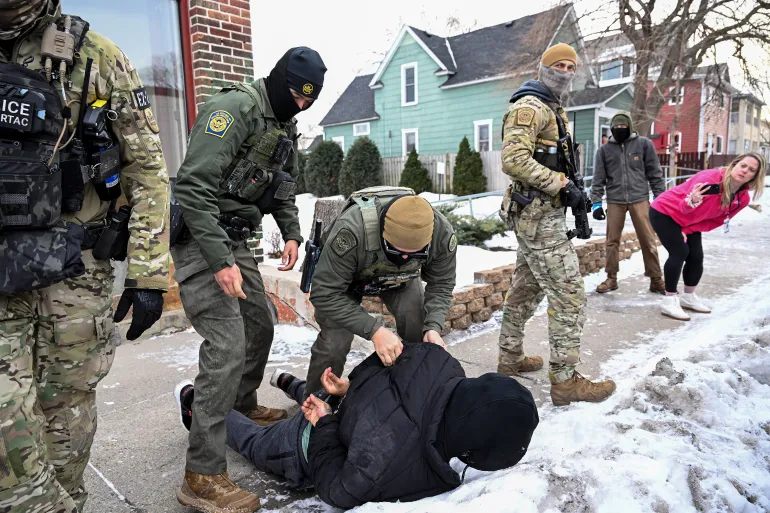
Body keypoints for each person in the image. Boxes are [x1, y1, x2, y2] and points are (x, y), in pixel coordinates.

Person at [0, 1, 170, 510]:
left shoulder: (95, 56)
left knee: (66, 412)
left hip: (73, 271)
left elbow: (147, 170)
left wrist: (148, 273)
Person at [171, 47, 326, 511]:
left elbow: (283, 188)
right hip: (201, 237)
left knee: (260, 323)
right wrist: (220, 261)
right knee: (227, 344)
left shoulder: (284, 126)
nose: (301, 105)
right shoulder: (234, 108)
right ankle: (201, 474)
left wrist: (292, 233)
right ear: (278, 81)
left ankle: (238, 406)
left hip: (234, 239)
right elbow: (192, 187)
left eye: (309, 100)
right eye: (296, 96)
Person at [174, 342, 539, 511]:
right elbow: (337, 490)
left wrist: (345, 392)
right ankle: (195, 403)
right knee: (255, 441)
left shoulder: (440, 362)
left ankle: (291, 384)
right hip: (308, 441)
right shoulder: (400, 462)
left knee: (323, 397)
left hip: (345, 402)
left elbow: (380, 375)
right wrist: (324, 423)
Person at [496, 42, 616, 406]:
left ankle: (509, 358)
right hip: (539, 218)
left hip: (538, 216)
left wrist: (573, 191)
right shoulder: (530, 107)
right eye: (558, 65)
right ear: (543, 68)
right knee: (569, 297)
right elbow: (513, 160)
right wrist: (561, 186)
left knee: (526, 289)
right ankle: (565, 383)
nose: (564, 72)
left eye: (570, 66)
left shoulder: (551, 107)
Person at [305, 187, 457, 399]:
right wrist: (375, 331)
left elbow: (442, 283)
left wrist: (433, 326)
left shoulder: (441, 233)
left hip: (401, 278)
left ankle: (416, 397)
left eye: (414, 253)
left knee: (420, 330)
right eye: (397, 251)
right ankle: (315, 402)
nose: (405, 257)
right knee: (334, 343)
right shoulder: (352, 230)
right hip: (346, 282)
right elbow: (324, 293)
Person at [649, 152, 766, 320]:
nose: (745, 171)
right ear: (735, 164)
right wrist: (692, 201)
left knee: (696, 256)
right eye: (743, 165)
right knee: (680, 251)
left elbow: (717, 220)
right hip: (665, 212)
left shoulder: (742, 199)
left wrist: (687, 229)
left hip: (689, 222)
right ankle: (669, 300)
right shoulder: (710, 179)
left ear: (755, 176)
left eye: (751, 170)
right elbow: (683, 208)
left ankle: (688, 297)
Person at [590, 112, 666, 294]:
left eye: (623, 127)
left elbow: (655, 173)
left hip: (640, 198)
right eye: (617, 127)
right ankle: (611, 278)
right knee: (612, 241)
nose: (620, 130)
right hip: (615, 200)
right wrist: (596, 203)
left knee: (648, 239)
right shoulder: (604, 151)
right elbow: (598, 178)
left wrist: (660, 197)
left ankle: (656, 279)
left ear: (630, 127)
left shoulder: (644, 144)